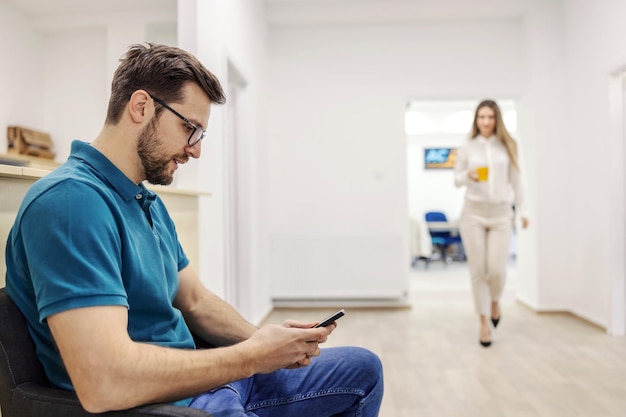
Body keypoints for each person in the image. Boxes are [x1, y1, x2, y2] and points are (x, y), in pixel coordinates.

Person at [4, 43, 384, 416]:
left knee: (363, 370)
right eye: (190, 128)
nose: (195, 150)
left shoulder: (143, 201)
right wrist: (251, 356)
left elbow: (197, 301)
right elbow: (104, 382)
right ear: (141, 107)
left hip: (206, 379)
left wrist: (269, 342)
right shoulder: (70, 203)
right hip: (170, 404)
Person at [453, 99, 529, 348]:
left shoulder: (508, 145)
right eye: (481, 117)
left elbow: (517, 181)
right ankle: (484, 322)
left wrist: (523, 210)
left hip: (500, 214)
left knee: (496, 270)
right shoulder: (467, 148)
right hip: (472, 213)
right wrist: (468, 175)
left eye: (490, 117)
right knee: (478, 272)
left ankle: (495, 300)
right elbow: (456, 179)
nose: (486, 121)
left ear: (497, 119)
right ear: (476, 120)